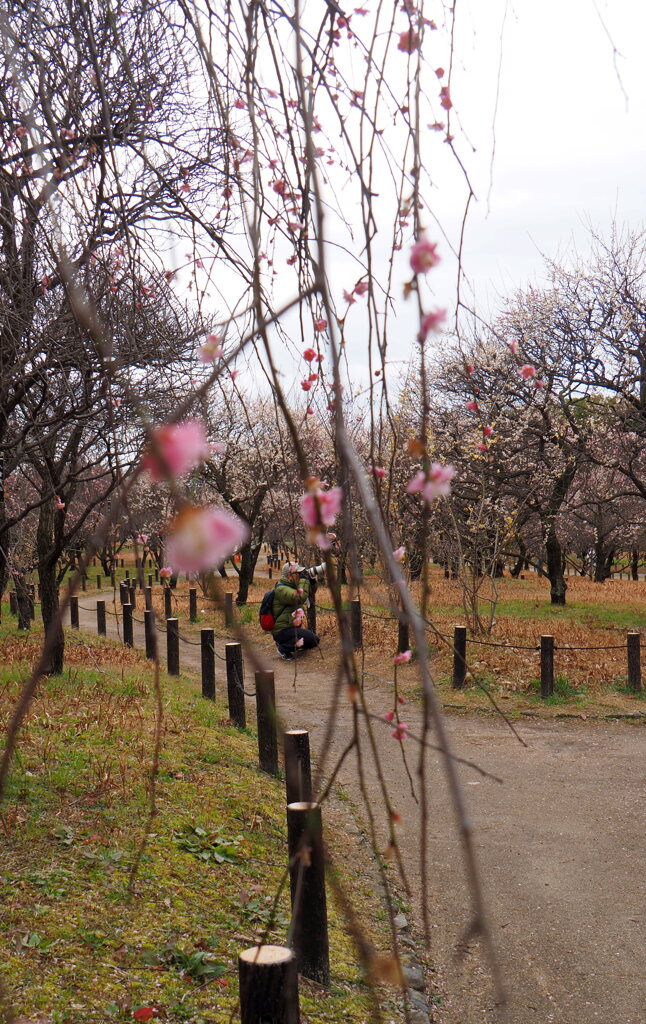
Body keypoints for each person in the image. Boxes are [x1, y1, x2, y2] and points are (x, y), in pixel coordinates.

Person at [271, 562, 320, 661]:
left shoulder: (292, 586)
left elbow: (310, 592)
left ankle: (288, 644)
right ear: (290, 576)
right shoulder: (282, 589)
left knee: (314, 640)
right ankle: (283, 648)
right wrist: (303, 580)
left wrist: (311, 580)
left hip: (291, 629)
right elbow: (300, 597)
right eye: (297, 573)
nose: (299, 575)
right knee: (310, 638)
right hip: (282, 631)